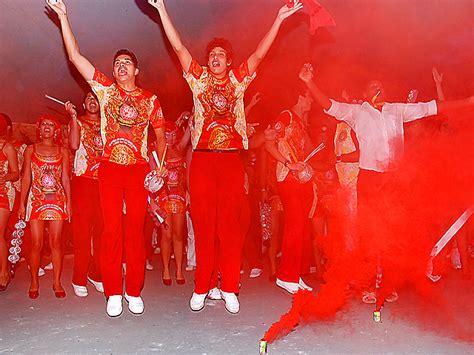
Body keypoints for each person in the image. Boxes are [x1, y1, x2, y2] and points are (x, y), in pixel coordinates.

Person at [148, 0, 303, 313]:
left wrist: (279, 18)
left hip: (231, 161)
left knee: (229, 227)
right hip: (203, 161)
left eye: (220, 55)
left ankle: (229, 286)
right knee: (204, 225)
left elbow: (259, 55)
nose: (214, 58)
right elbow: (178, 47)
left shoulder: (237, 81)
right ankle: (203, 286)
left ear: (229, 61)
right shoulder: (198, 79)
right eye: (211, 55)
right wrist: (162, 9)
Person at [299, 63, 474, 303]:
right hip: (370, 178)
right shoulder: (357, 112)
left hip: (394, 179)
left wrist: (466, 102)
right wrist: (309, 82)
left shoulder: (396, 110)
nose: (378, 89)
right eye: (373, 86)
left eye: (381, 86)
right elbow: (329, 105)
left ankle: (389, 284)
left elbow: (431, 108)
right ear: (364, 94)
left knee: (393, 232)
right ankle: (368, 285)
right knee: (370, 232)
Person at [47, 0, 166, 317]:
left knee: (135, 232)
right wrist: (63, 17)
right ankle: (114, 292)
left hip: (138, 169)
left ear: (136, 70)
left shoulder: (150, 99)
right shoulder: (106, 91)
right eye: (117, 63)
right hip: (110, 170)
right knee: (111, 231)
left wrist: (161, 167)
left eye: (127, 62)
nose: (121, 66)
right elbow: (75, 56)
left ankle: (134, 290)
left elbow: (161, 135)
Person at [265, 88, 315, 294]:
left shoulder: (301, 122)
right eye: (309, 96)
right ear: (300, 96)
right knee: (294, 225)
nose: (312, 101)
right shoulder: (286, 116)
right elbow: (269, 144)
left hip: (300, 180)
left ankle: (295, 274)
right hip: (287, 178)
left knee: (301, 226)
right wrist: (288, 163)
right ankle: (285, 276)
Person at [19, 115, 71, 299]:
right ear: (39, 129)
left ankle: (57, 282)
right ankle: (34, 280)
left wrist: (69, 204)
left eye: (51, 124)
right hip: (36, 200)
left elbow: (65, 178)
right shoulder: (30, 150)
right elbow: (26, 177)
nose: (47, 127)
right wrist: (22, 203)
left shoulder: (62, 151)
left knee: (56, 242)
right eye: (44, 124)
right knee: (36, 243)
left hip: (57, 199)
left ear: (56, 130)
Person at [64, 92, 104, 297]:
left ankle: (96, 274)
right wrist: (72, 117)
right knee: (81, 233)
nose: (92, 101)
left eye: (96, 98)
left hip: (104, 184)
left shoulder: (108, 125)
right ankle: (79, 277)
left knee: (102, 233)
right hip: (83, 182)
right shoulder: (77, 122)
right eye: (88, 98)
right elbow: (73, 145)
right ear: (83, 103)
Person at [0, 114, 19, 291]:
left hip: (3, 192)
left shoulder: (7, 147)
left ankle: (3, 273)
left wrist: (3, 176)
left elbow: (16, 173)